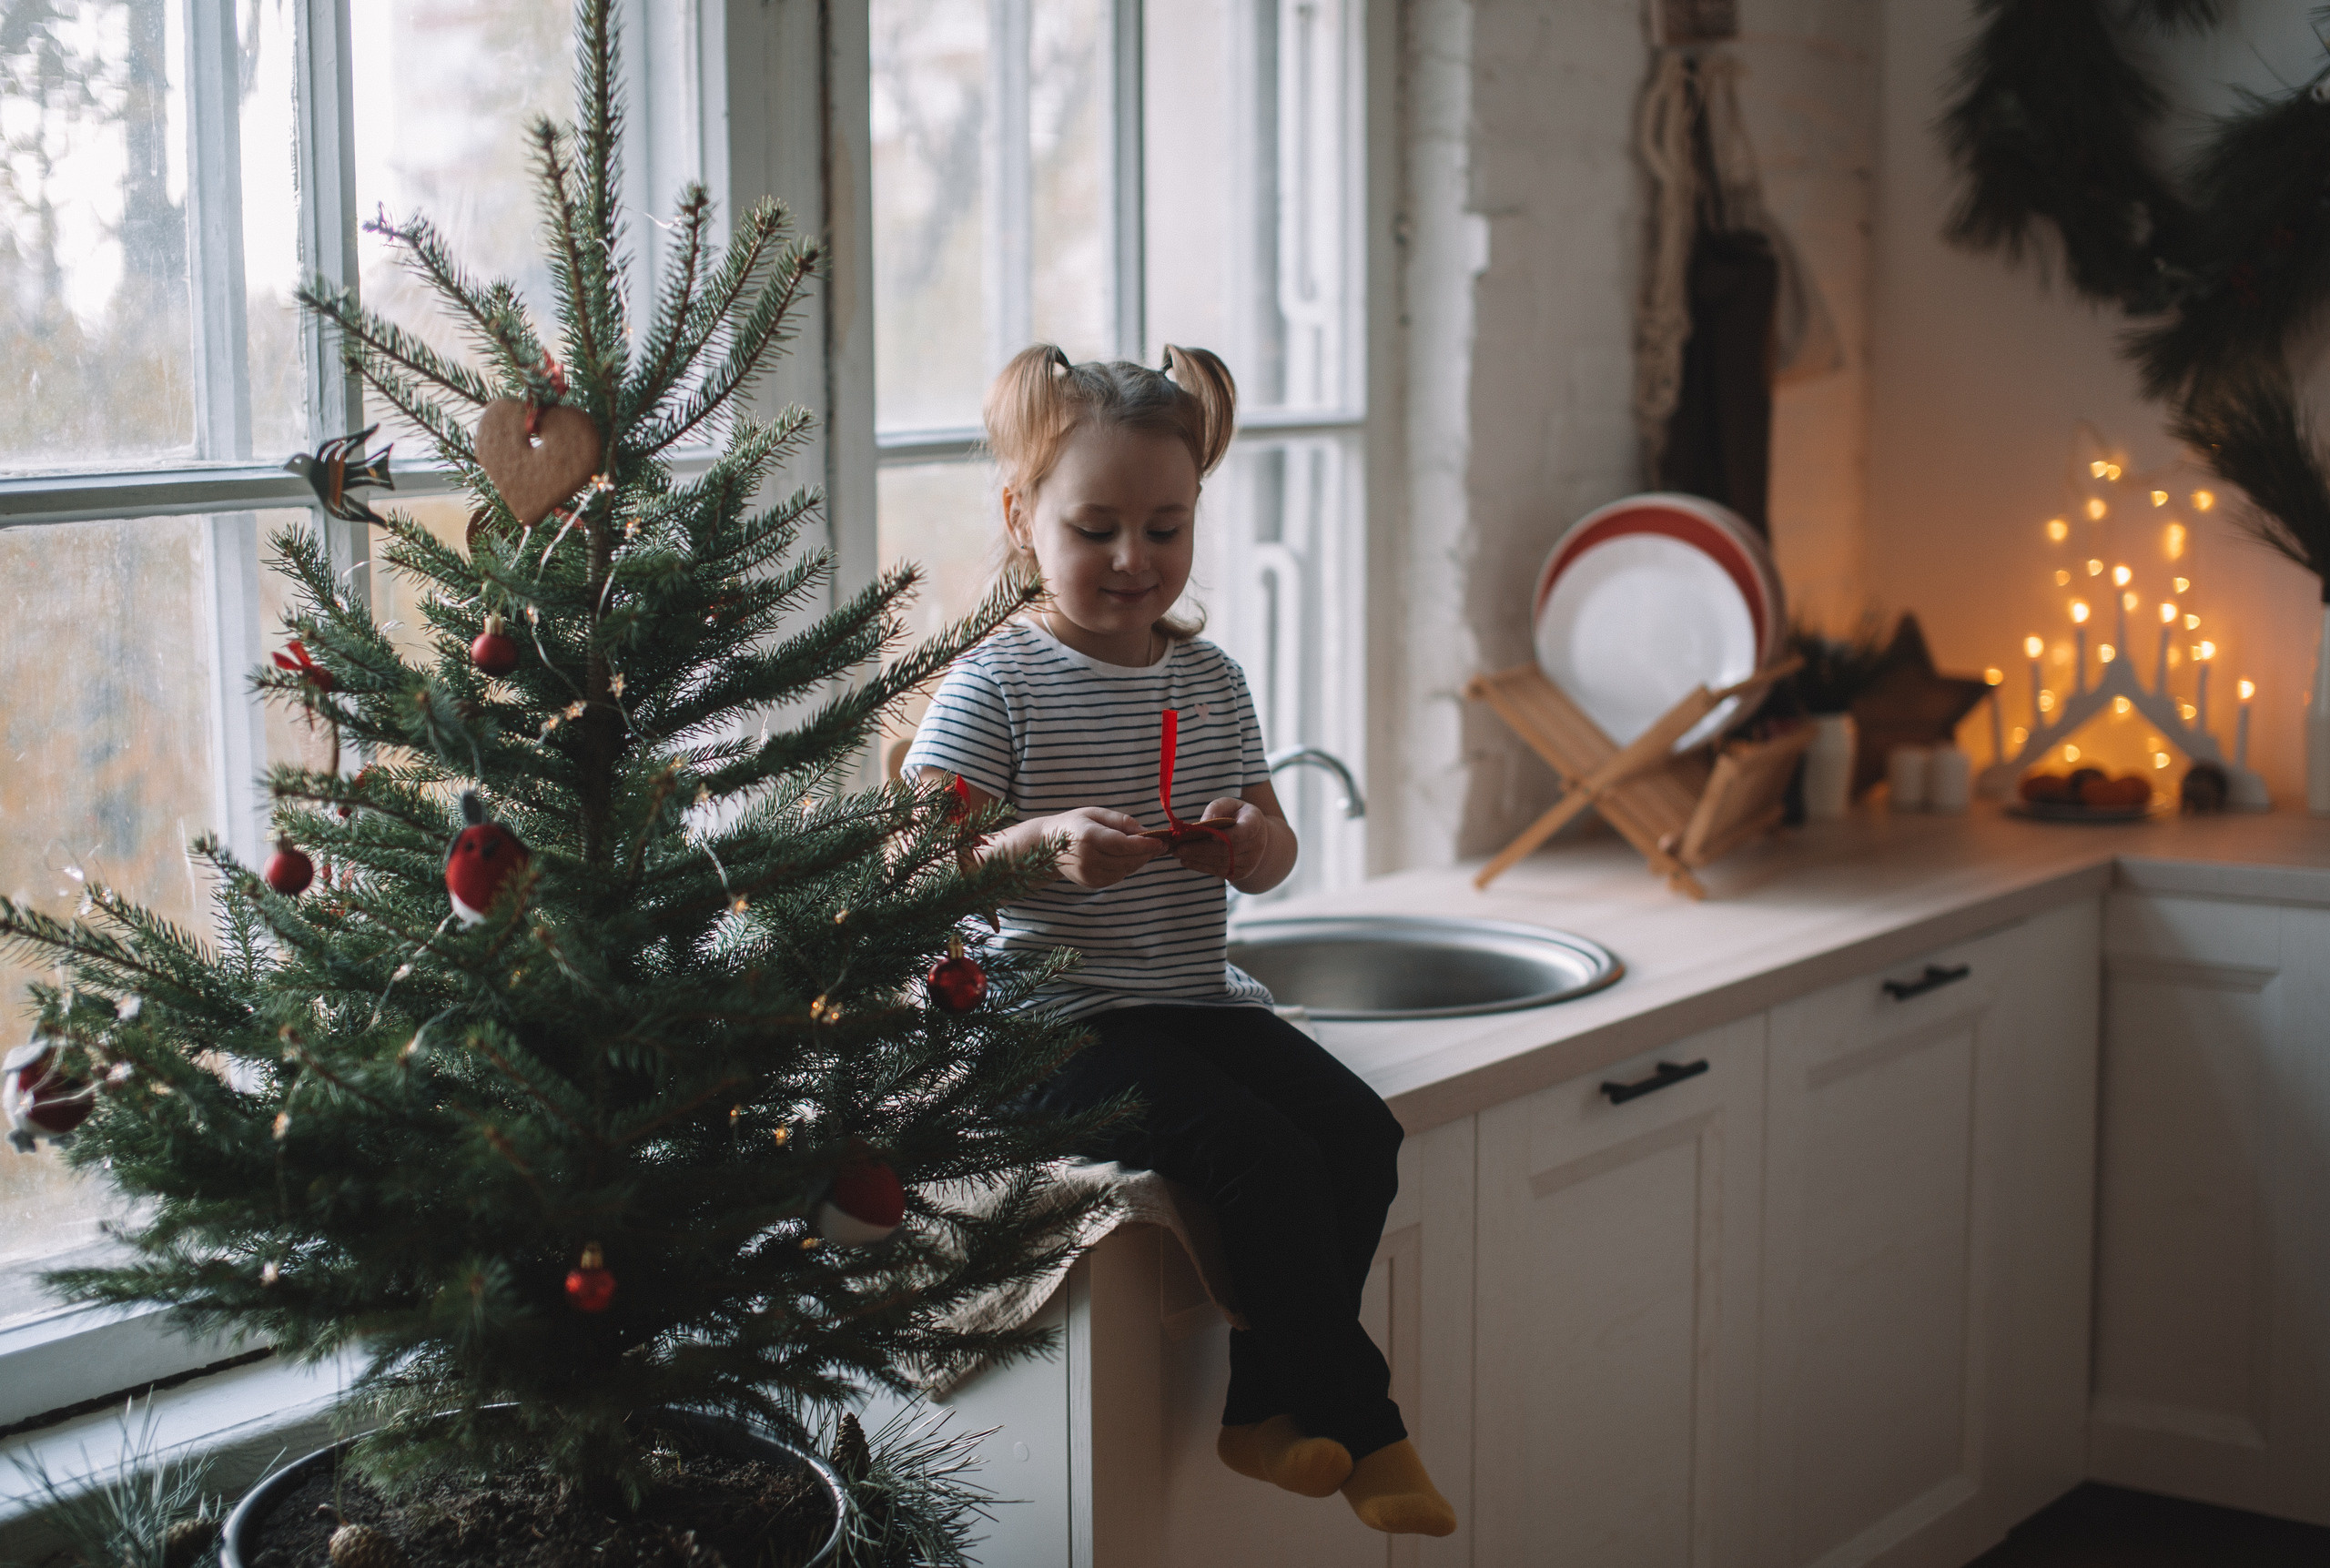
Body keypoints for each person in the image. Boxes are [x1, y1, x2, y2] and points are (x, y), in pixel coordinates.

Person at [903, 343, 1457, 1538]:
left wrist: (1251, 847)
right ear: (1022, 517)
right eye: (1095, 528)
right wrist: (1040, 844)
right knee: (1259, 1153)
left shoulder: (1210, 681)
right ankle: (1363, 1424)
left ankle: (1262, 1409)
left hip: (1189, 996)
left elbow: (1277, 842)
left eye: (1166, 528)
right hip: (1042, 1026)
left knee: (1359, 1134)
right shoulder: (995, 682)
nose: (1133, 559)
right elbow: (912, 867)